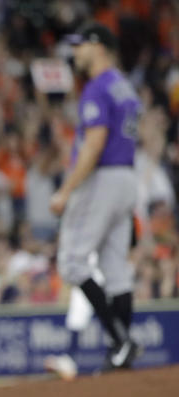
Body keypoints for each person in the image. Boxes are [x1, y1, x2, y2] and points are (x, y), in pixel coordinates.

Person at [49, 23, 141, 374]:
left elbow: (94, 144)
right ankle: (120, 357)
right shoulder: (124, 86)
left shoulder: (98, 87)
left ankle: (121, 340)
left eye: (80, 45)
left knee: (72, 262)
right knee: (116, 270)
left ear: (98, 46)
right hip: (126, 176)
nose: (75, 52)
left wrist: (66, 189)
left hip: (102, 178)